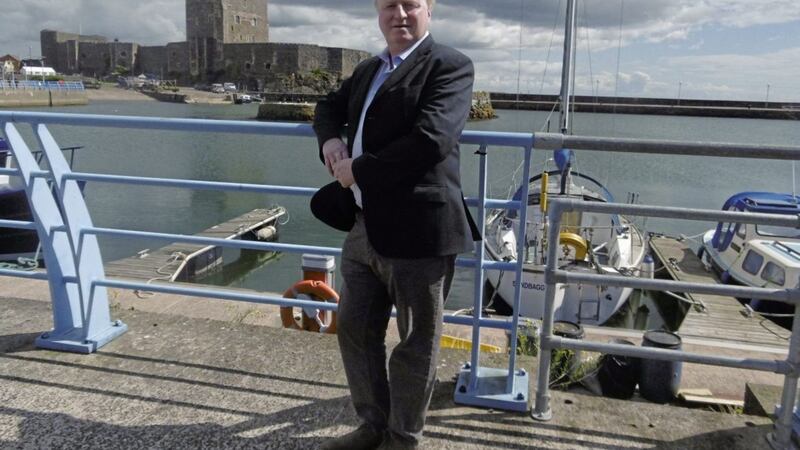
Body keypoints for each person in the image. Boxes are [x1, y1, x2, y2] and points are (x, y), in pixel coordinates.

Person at [312, 0, 479, 448]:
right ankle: (372, 426)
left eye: (411, 4)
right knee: (353, 327)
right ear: (378, 12)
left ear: (430, 10)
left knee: (415, 343)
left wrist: (357, 170)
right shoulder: (369, 69)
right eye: (390, 6)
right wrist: (329, 138)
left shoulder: (449, 65)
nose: (399, 14)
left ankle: (403, 438)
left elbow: (431, 139)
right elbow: (328, 105)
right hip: (364, 225)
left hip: (420, 229)